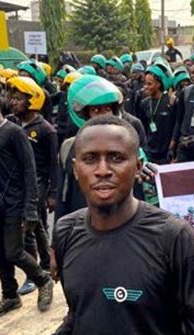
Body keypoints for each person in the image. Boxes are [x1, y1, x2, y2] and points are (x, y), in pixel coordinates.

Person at [40, 116, 194, 335]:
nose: (103, 170)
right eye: (90, 159)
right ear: (75, 169)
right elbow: (81, 313)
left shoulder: (174, 237)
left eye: (116, 158)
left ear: (137, 167)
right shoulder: (66, 230)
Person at [0, 91, 54, 316]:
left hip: (15, 202)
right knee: (1, 254)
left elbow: (29, 169)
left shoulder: (14, 132)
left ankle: (43, 279)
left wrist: (31, 207)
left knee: (14, 251)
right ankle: (10, 295)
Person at [55, 75, 146, 224]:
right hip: (81, 227)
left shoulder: (127, 142)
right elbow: (63, 193)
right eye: (96, 110)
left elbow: (140, 190)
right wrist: (59, 234)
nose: (104, 114)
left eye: (108, 108)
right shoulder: (69, 147)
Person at [5, 77, 58, 295]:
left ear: (33, 101)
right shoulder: (12, 124)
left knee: (29, 227)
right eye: (12, 98)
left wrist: (52, 193)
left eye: (18, 99)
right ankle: (45, 263)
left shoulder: (45, 130)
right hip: (18, 185)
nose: (13, 102)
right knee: (37, 228)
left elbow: (54, 165)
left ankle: (34, 273)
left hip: (38, 185)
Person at [135, 64, 176, 164]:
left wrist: (173, 146)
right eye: (145, 83)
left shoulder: (170, 101)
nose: (146, 87)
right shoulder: (144, 103)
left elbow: (176, 124)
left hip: (166, 152)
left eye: (149, 84)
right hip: (150, 152)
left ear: (158, 84)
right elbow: (143, 128)